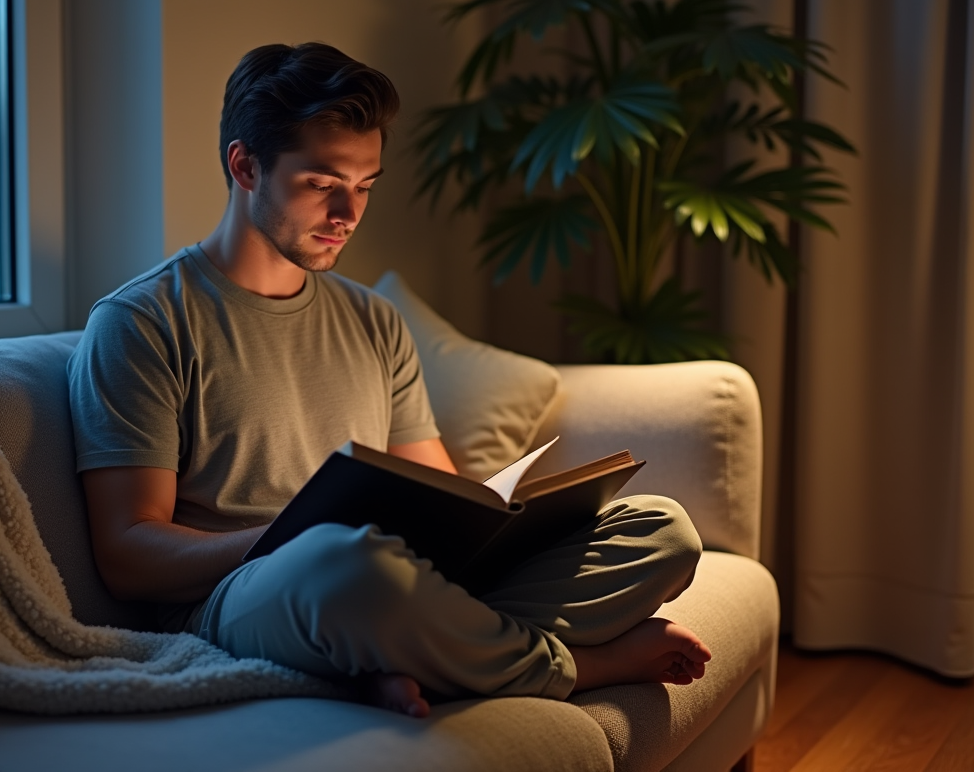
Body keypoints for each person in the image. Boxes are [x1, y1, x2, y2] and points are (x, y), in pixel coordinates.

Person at [67, 42, 711, 718]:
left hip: (390, 584)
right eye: (322, 184)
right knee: (350, 567)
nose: (348, 213)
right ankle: (572, 666)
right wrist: (302, 534)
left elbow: (442, 498)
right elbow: (128, 554)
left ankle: (406, 655)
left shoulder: (374, 319)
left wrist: (500, 522)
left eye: (365, 186)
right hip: (243, 596)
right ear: (245, 166)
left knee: (664, 532)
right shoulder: (142, 322)